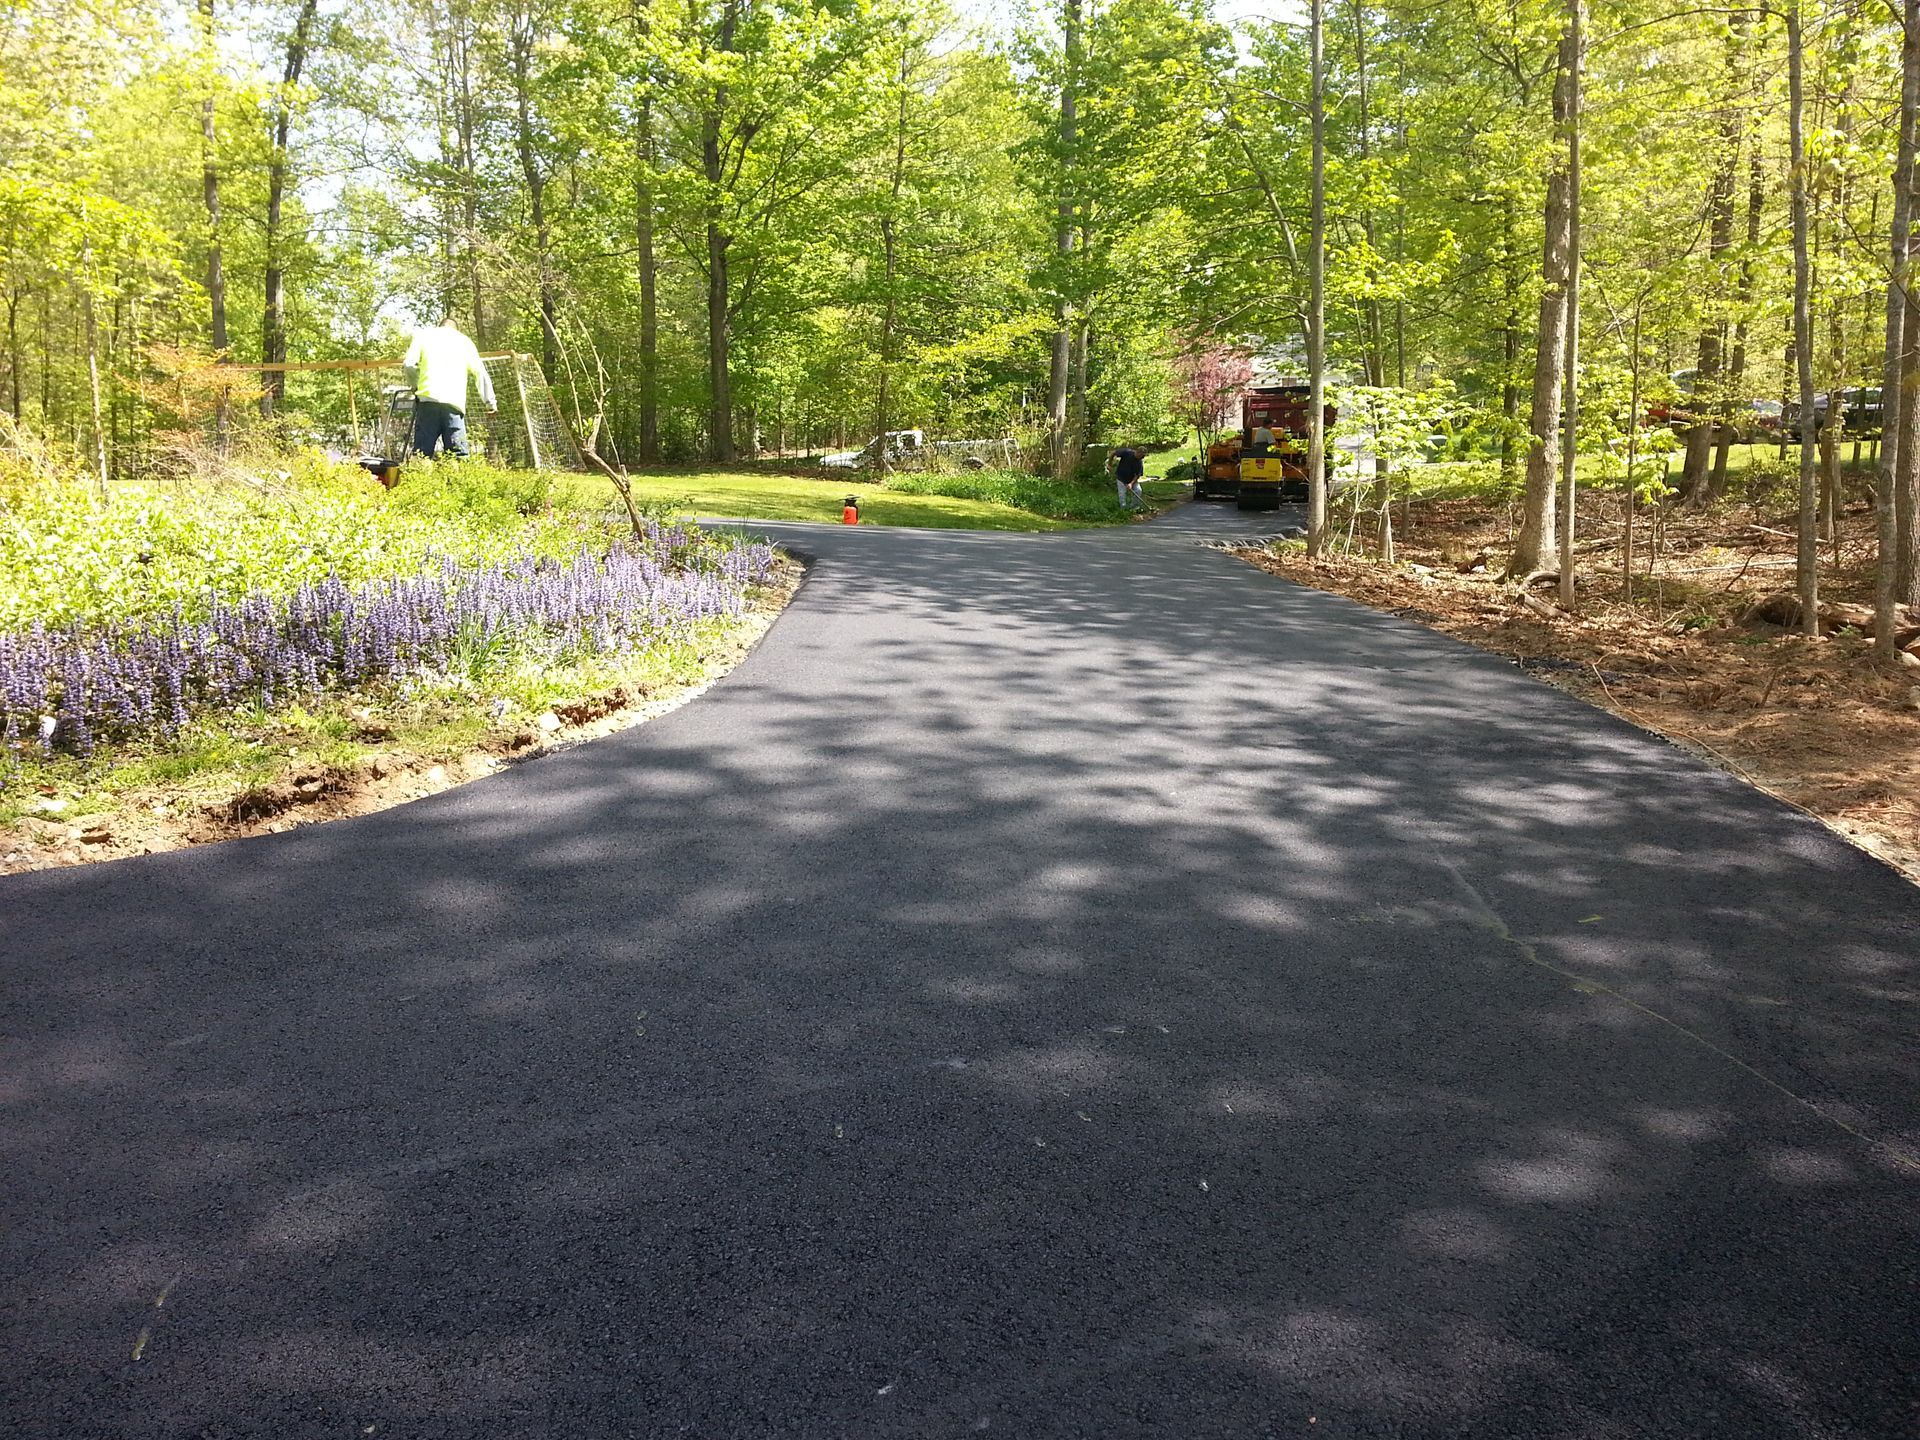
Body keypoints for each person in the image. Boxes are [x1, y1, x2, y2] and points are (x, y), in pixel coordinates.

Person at [402, 313, 496, 459]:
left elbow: (408, 365)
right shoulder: (465, 342)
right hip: (454, 404)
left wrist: (415, 386)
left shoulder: (424, 337)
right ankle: (458, 481)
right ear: (456, 329)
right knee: (458, 455)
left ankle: (419, 480)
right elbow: (480, 373)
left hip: (428, 401)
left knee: (422, 454)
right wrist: (490, 403)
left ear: (440, 326)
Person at [1108, 444, 1146, 510]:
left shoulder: (1139, 462)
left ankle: (1134, 508)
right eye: (1142, 456)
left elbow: (1137, 475)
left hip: (1131, 479)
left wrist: (1131, 484)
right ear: (1137, 452)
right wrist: (1109, 464)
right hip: (1121, 477)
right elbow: (1113, 453)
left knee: (1138, 490)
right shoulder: (1127, 452)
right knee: (1122, 494)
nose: (1142, 458)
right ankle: (1123, 509)